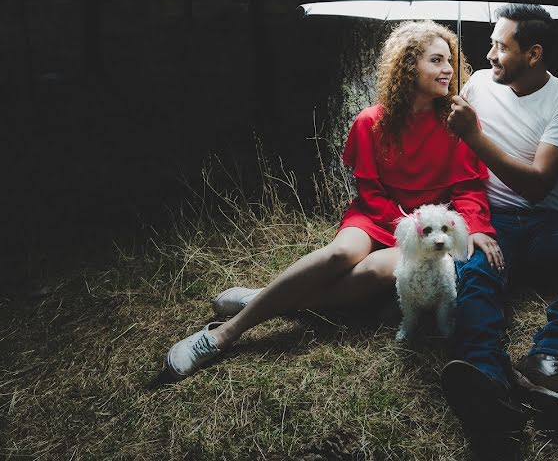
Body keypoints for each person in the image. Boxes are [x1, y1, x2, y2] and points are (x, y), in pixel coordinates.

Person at [165, 20, 501, 379]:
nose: (448, 69)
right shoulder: (370, 122)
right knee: (340, 254)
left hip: (425, 227)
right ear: (407, 66)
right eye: (436, 60)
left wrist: (474, 227)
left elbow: (469, 189)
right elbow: (370, 193)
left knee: (374, 270)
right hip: (376, 216)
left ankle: (259, 303)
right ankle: (223, 334)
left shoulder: (458, 123)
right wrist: (402, 222)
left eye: (450, 60)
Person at [442, 3, 558, 430]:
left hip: (543, 225)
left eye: (501, 47)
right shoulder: (479, 85)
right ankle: (485, 375)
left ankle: (547, 359)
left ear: (534, 53)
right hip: (487, 220)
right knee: (476, 271)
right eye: (490, 43)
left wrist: (473, 135)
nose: (489, 56)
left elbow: (537, 184)